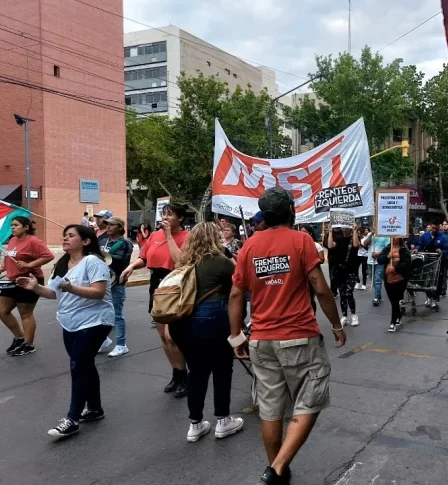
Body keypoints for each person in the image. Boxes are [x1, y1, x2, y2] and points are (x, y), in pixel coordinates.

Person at [228, 187, 346, 485]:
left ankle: (277, 469)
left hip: (261, 340)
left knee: (270, 409)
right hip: (298, 337)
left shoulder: (249, 247)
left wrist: (235, 336)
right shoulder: (301, 240)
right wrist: (337, 325)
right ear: (291, 211)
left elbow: (235, 294)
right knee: (309, 401)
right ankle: (277, 468)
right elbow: (320, 288)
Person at [16, 225, 114, 438]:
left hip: (95, 321)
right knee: (85, 365)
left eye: (71, 236)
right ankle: (95, 409)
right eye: (65, 236)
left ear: (85, 241)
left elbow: (98, 292)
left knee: (78, 366)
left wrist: (72, 288)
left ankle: (72, 419)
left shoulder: (93, 262)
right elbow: (53, 293)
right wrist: (34, 287)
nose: (65, 239)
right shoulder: (62, 263)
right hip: (70, 322)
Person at [163, 222, 244, 442]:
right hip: (213, 320)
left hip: (182, 324)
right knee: (221, 369)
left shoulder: (183, 262)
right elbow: (240, 287)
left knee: (196, 371)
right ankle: (223, 421)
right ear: (213, 238)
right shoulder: (221, 262)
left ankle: (195, 424)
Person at [120, 203, 190, 397]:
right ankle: (176, 373)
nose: (165, 218)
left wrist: (169, 236)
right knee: (162, 336)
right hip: (157, 284)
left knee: (171, 336)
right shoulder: (154, 236)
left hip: (175, 285)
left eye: (170, 214)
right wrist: (131, 267)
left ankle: (185, 375)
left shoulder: (187, 237)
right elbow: (145, 257)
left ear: (180, 218)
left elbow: (181, 261)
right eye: (164, 214)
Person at [0, 216, 54, 356]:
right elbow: (10, 259)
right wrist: (3, 268)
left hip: (29, 279)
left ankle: (28, 345)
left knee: (25, 313)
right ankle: (19, 338)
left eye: (16, 225)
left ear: (26, 227)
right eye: (12, 225)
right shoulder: (12, 240)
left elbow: (48, 256)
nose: (12, 227)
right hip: (13, 280)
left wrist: (29, 265)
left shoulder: (33, 241)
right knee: (2, 310)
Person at [98, 217, 134, 357]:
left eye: (111, 225)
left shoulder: (125, 244)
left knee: (117, 315)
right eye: (107, 224)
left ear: (120, 227)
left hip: (116, 283)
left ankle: (121, 344)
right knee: (99, 312)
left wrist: (102, 254)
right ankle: (104, 340)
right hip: (101, 281)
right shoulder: (102, 241)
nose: (108, 227)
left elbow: (120, 260)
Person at [326, 224, 360, 326]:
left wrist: (354, 230)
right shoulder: (338, 239)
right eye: (344, 227)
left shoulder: (353, 239)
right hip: (340, 271)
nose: (345, 229)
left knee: (349, 292)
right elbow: (330, 246)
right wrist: (331, 231)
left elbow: (355, 245)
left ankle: (354, 315)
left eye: (347, 227)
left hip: (351, 271)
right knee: (342, 294)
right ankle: (344, 316)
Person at [378, 237, 412, 332]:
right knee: (393, 300)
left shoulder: (404, 250)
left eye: (396, 237)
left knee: (395, 301)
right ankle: (399, 316)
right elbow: (380, 260)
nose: (394, 239)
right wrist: (387, 257)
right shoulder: (387, 248)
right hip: (388, 279)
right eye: (392, 237)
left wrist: (395, 269)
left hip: (400, 279)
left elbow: (407, 263)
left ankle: (393, 322)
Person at [414, 222, 448, 308]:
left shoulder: (443, 237)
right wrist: (417, 249)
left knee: (437, 280)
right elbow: (420, 244)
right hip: (427, 260)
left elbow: (447, 249)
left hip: (438, 261)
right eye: (432, 228)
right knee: (427, 280)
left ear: (439, 228)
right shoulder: (425, 236)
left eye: (436, 228)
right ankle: (428, 297)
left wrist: (441, 251)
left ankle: (435, 299)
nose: (434, 230)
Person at [299, 224, 325, 313]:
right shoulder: (298, 244)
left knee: (310, 297)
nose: (303, 234)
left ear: (310, 233)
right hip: (301, 277)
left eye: (305, 232)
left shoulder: (316, 245)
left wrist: (311, 260)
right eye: (301, 232)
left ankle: (312, 315)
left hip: (312, 275)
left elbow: (322, 259)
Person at [369, 232, 390, 306]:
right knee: (373, 279)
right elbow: (365, 244)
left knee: (377, 279)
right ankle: (378, 294)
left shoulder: (386, 237)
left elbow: (387, 248)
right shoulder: (371, 235)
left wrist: (377, 254)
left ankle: (377, 296)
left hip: (379, 261)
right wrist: (371, 234)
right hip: (370, 261)